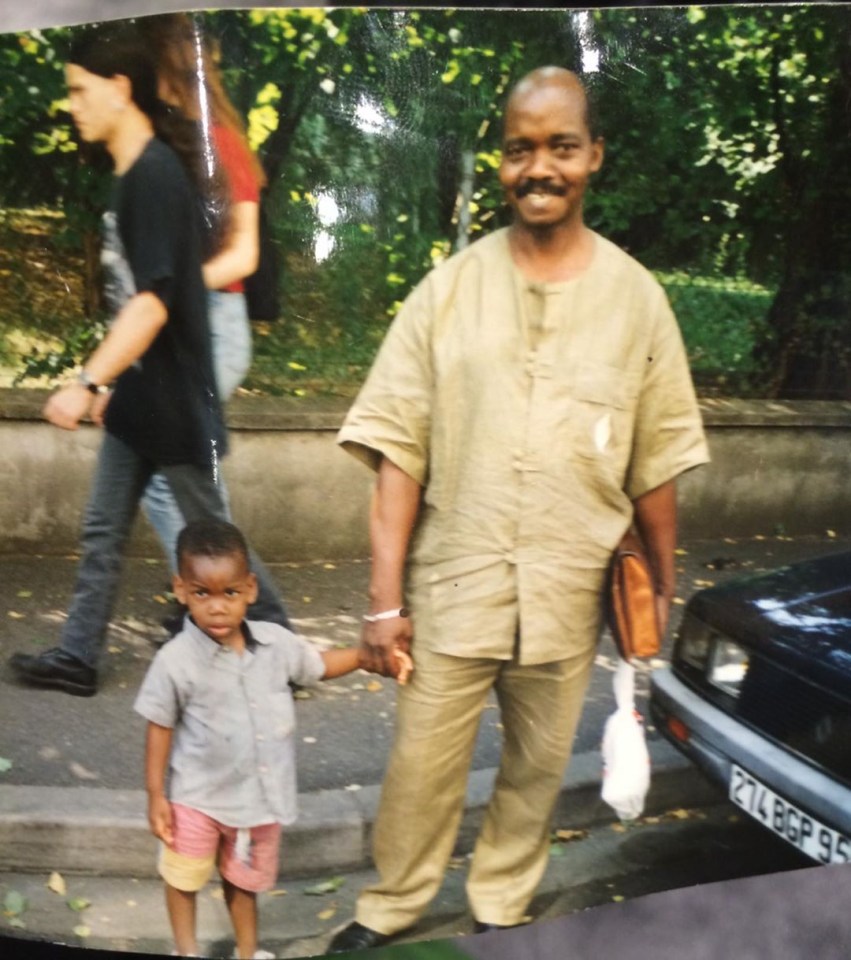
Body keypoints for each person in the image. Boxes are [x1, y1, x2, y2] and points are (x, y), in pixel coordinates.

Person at [326, 66, 710, 953]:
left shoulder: (637, 302)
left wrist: (655, 589)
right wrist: (383, 604)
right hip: (455, 585)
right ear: (501, 162)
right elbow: (395, 459)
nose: (540, 167)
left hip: (570, 588)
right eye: (519, 148)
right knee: (421, 769)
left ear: (593, 156)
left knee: (536, 770)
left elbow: (656, 467)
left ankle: (500, 904)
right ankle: (391, 909)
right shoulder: (445, 294)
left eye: (560, 147)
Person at [8, 22, 289, 698]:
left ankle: (276, 642)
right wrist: (115, 381)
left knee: (209, 530)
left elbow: (155, 302)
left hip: (173, 399)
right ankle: (78, 656)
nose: (71, 105)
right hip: (143, 392)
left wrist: (87, 381)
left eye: (79, 90)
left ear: (119, 88)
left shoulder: (156, 175)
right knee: (103, 528)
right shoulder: (135, 173)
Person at [135, 518, 386, 959]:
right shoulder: (175, 662)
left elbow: (318, 665)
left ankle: (248, 953)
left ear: (250, 589)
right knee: (183, 878)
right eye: (202, 593)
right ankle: (186, 949)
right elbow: (159, 725)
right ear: (181, 590)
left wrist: (364, 657)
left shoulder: (277, 644)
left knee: (243, 885)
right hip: (196, 801)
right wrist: (157, 795)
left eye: (229, 593)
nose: (216, 607)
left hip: (257, 803)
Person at [138, 13, 266, 576]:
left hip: (218, 325)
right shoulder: (171, 147)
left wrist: (179, 285)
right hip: (188, 325)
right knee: (180, 480)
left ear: (168, 72)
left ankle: (218, 601)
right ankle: (218, 600)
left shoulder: (223, 145)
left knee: (175, 482)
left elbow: (244, 256)